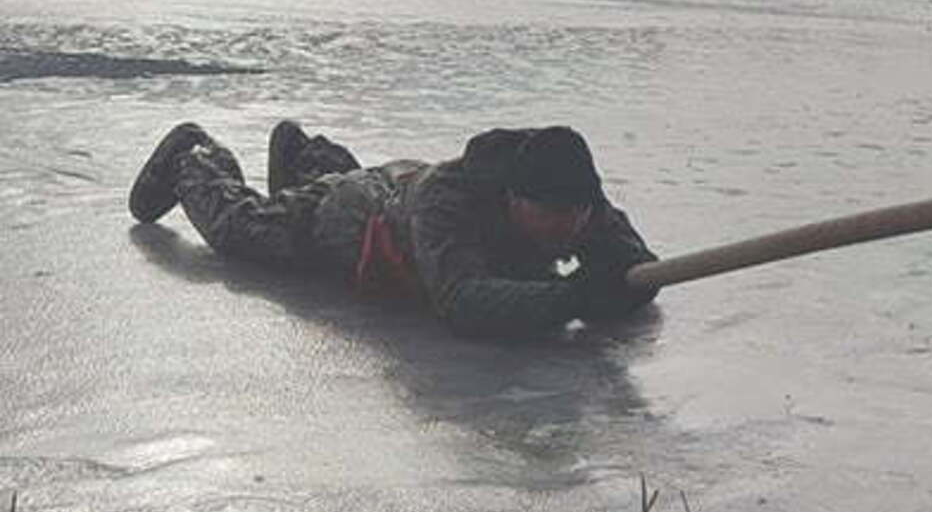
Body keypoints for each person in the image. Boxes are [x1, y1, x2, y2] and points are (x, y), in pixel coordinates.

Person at [128, 120, 660, 337]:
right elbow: (461, 300)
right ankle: (194, 156)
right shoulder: (449, 201)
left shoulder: (576, 197)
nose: (567, 231)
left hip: (399, 188)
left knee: (328, 187)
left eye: (577, 218)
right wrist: (573, 296)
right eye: (550, 218)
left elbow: (639, 267)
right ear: (514, 199)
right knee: (239, 231)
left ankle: (305, 155)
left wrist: (619, 283)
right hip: (353, 219)